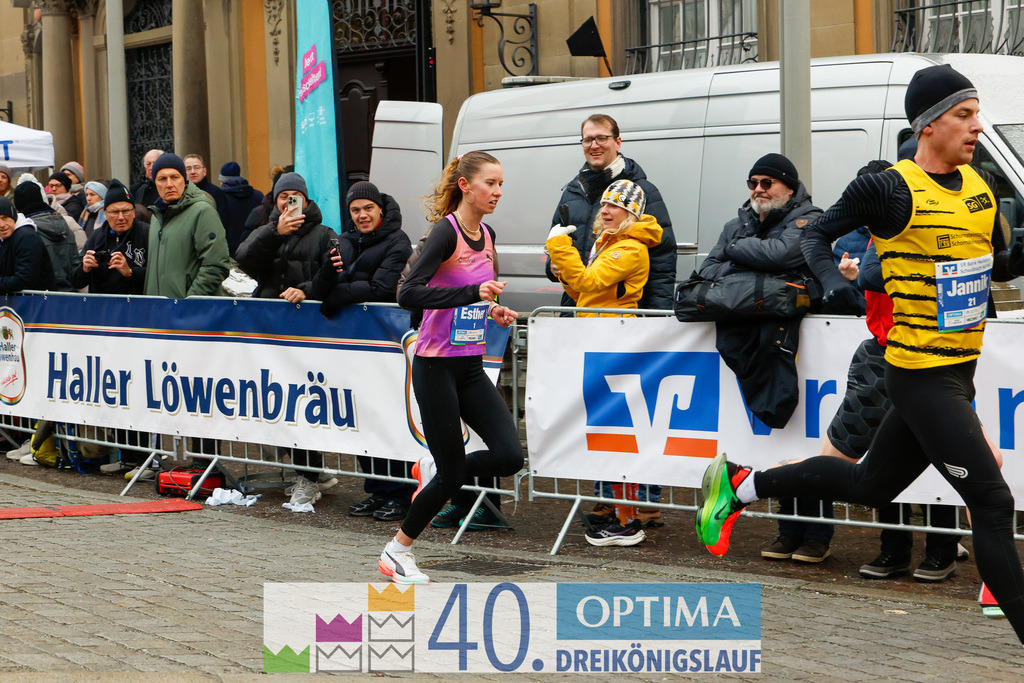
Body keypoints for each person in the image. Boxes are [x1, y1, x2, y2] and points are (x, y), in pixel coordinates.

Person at [695, 64, 1024, 643]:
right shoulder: (889, 188)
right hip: (919, 376)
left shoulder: (979, 187)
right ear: (927, 125)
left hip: (958, 371)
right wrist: (834, 285)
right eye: (963, 115)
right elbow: (814, 234)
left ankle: (739, 485)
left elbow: (991, 264)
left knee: (871, 484)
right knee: (993, 503)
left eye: (977, 114)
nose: (977, 127)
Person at [381, 151, 523, 584]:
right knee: (454, 473)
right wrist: (472, 296)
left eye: (501, 184)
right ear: (466, 186)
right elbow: (408, 294)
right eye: (490, 184)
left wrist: (493, 310)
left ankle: (433, 469)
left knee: (509, 456)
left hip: (470, 365)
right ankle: (396, 551)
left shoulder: (488, 233)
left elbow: (477, 293)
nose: (497, 192)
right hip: (435, 365)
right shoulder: (446, 233)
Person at [695, 152, 833, 563]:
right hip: (749, 342)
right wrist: (755, 269)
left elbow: (786, 256)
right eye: (753, 182)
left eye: (767, 183)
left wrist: (739, 256)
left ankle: (816, 536)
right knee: (775, 439)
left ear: (789, 187)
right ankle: (787, 530)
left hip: (801, 343)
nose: (758, 190)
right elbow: (708, 271)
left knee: (808, 439)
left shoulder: (811, 218)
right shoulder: (735, 224)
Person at [548, 113, 677, 526]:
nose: (594, 145)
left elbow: (663, 258)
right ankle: (607, 496)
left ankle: (645, 499)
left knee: (635, 411)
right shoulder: (574, 187)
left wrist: (652, 316)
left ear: (619, 141)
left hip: (627, 319)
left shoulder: (643, 189)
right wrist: (555, 264)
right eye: (588, 139)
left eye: (602, 138)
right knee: (599, 410)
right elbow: (559, 242)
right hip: (583, 312)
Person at [310, 180, 415, 520]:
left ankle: (400, 494)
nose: (362, 215)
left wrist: (340, 294)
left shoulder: (397, 240)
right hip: (353, 343)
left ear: (380, 209)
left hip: (384, 341)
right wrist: (328, 272)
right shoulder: (343, 239)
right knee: (364, 415)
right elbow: (319, 286)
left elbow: (384, 288)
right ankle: (376, 490)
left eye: (368, 208)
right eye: (355, 210)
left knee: (388, 416)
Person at [235, 172, 336, 506]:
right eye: (283, 196)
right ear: (275, 200)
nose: (288, 201)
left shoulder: (323, 234)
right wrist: (272, 233)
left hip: (306, 331)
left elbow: (333, 276)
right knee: (279, 403)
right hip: (269, 329)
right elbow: (244, 259)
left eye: (295, 196)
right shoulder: (267, 231)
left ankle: (309, 476)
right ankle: (308, 471)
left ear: (305, 200)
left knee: (305, 401)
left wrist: (305, 291)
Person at [144, 152, 230, 298]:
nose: (169, 184)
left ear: (184, 179)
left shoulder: (202, 212)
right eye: (162, 179)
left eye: (175, 177)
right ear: (155, 183)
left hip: (190, 312)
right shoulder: (156, 217)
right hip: (159, 311)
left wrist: (189, 302)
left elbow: (216, 265)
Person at [71, 179, 148, 295]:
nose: (121, 217)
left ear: (133, 212)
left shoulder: (146, 232)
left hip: (137, 305)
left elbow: (159, 275)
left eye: (126, 211)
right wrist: (84, 269)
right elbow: (76, 281)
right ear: (106, 214)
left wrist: (131, 272)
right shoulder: (97, 236)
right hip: (103, 307)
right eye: (115, 212)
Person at [13, 179, 80, 291]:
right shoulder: (66, 225)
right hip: (70, 297)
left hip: (40, 299)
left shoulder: (26, 231)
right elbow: (75, 265)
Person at [0, 197, 54, 293]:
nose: (2, 224)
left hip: (37, 303)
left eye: (5, 218)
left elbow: (25, 279)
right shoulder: (5, 238)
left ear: (13, 217)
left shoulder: (26, 237)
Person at [218, 161, 265, 257]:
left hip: (229, 252)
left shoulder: (219, 197)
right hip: (255, 250)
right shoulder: (258, 196)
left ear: (222, 181)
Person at [184, 154, 228, 227]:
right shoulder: (179, 193)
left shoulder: (215, 193)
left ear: (204, 171)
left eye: (196, 168)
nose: (193, 172)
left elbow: (223, 221)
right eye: (188, 169)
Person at [130, 149, 164, 214]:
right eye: (148, 164)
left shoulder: (168, 186)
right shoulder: (139, 190)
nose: (151, 167)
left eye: (155, 163)